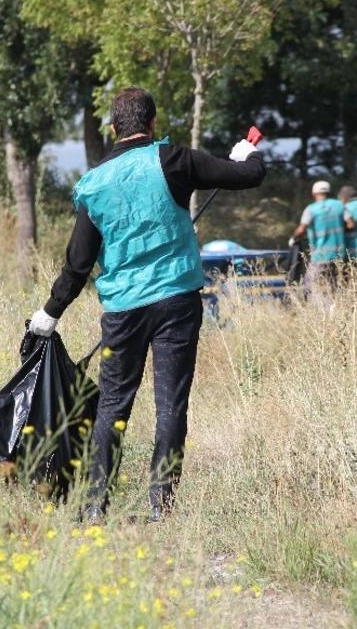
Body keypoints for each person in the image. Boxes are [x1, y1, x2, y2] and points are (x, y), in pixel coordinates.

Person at [27, 87, 266, 522]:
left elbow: (77, 265)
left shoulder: (94, 183)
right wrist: (246, 153)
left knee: (113, 405)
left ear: (113, 128)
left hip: (123, 313)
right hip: (178, 302)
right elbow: (247, 176)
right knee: (171, 405)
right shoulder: (174, 160)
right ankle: (162, 507)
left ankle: (95, 505)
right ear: (153, 123)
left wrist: (50, 312)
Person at [290, 180, 346, 292]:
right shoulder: (339, 205)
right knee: (333, 283)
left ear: (314, 193)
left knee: (310, 283)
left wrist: (293, 237)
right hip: (340, 254)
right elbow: (350, 224)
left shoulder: (311, 209)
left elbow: (301, 229)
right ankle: (334, 307)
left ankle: (318, 307)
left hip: (320, 255)